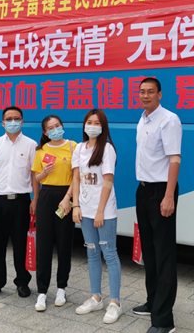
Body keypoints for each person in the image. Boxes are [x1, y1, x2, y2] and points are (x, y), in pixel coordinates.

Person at [133, 77, 182, 333]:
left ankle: (164, 320)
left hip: (161, 191)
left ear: (160, 94)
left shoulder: (168, 120)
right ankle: (153, 302)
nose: (145, 95)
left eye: (150, 92)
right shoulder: (143, 119)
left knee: (163, 254)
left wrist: (169, 195)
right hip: (143, 190)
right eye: (142, 91)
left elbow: (175, 159)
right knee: (149, 252)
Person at [71, 109, 122, 324]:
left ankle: (115, 303)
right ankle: (96, 298)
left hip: (104, 212)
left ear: (103, 127)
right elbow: (76, 178)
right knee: (92, 253)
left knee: (109, 254)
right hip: (85, 210)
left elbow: (108, 180)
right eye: (89, 122)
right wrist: (76, 205)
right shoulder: (79, 148)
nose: (92, 126)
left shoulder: (107, 149)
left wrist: (101, 210)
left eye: (97, 123)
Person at [0, 106, 37, 302]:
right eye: (9, 119)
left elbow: (35, 175)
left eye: (17, 118)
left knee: (21, 244)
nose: (13, 122)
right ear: (3, 123)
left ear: (22, 121)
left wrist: (35, 200)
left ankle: (22, 282)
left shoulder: (31, 145)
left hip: (21, 201)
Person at [31, 115, 77, 312]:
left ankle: (61, 288)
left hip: (66, 196)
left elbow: (77, 176)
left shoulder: (73, 146)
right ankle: (42, 291)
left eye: (57, 125)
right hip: (46, 195)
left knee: (64, 243)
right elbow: (36, 177)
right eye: (51, 128)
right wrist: (44, 173)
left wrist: (69, 198)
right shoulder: (41, 151)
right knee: (43, 245)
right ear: (45, 132)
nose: (55, 129)